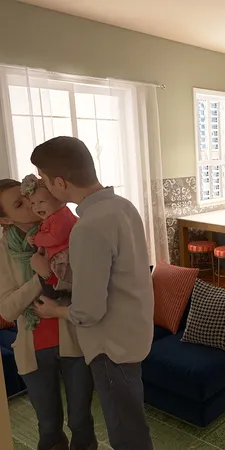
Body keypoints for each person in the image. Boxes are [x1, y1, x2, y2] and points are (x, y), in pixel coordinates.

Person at [31, 136, 155, 450]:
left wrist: (54, 310)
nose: (45, 187)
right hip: (134, 331)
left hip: (111, 345)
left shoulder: (88, 227)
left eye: (45, 180)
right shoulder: (123, 206)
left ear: (60, 183)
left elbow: (88, 311)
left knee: (126, 433)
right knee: (132, 421)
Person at [0, 178, 96, 450]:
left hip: (74, 338)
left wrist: (51, 273)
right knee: (49, 427)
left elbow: (91, 286)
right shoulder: (4, 253)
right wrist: (40, 276)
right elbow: (7, 309)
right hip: (32, 348)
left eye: (28, 197)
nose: (31, 205)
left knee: (81, 422)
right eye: (19, 204)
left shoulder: (69, 230)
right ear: (5, 220)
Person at [21, 174, 77, 302]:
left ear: (59, 200)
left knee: (62, 279)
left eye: (41, 202)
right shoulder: (52, 217)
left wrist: (37, 239)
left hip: (65, 256)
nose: (36, 207)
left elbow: (55, 238)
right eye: (33, 203)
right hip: (57, 256)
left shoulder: (62, 216)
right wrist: (35, 239)